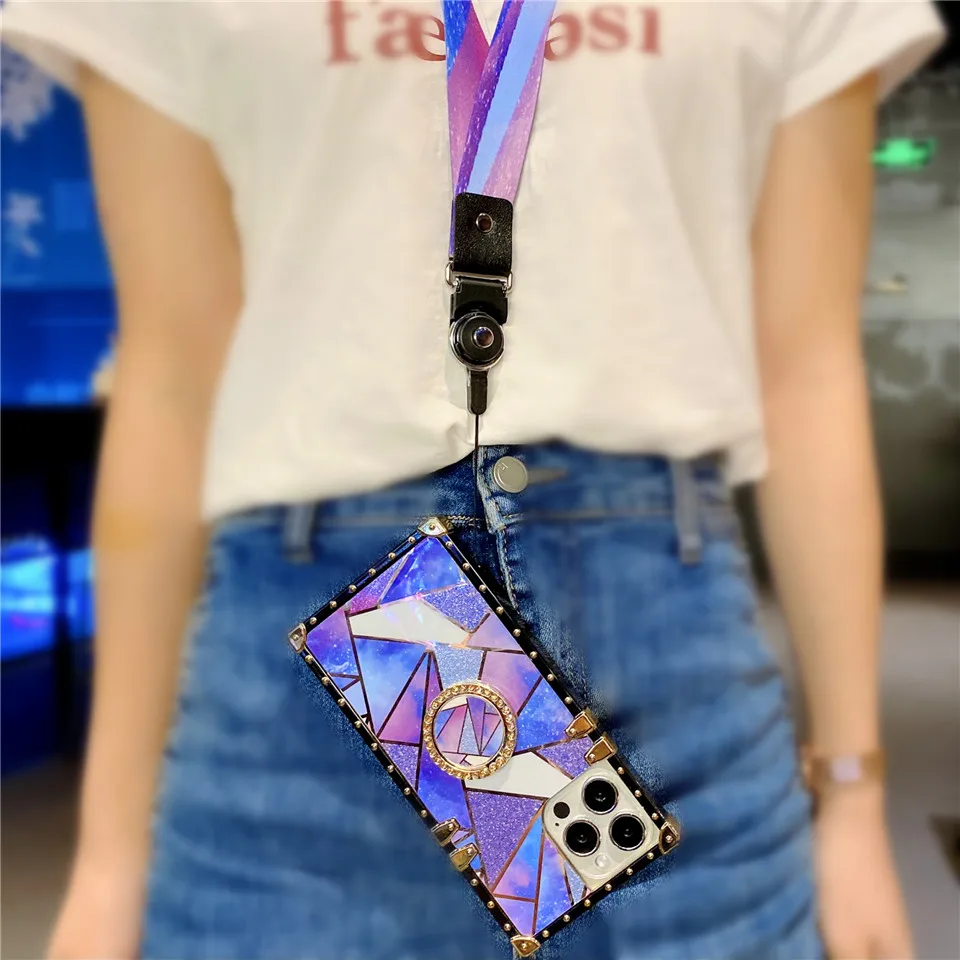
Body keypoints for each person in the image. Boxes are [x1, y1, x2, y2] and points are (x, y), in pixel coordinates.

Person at [3, 2, 945, 958]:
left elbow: (807, 369)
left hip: (679, 709)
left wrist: (854, 794)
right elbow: (173, 380)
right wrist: (112, 853)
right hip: (294, 731)